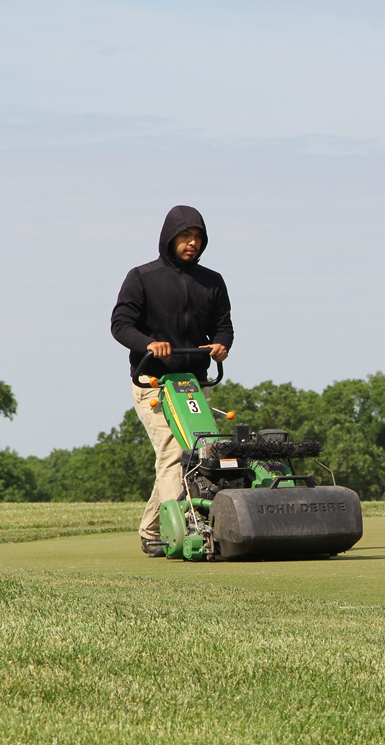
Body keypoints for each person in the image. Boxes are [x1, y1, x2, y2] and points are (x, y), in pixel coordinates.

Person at [111, 205, 233, 556]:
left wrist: (222, 345)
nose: (192, 243)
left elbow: (223, 325)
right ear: (169, 237)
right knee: (173, 454)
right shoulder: (142, 277)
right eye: (185, 236)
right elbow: (121, 324)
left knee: (191, 455)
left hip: (194, 383)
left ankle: (151, 529)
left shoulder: (212, 281)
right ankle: (184, 531)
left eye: (197, 237)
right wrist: (148, 344)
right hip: (153, 383)